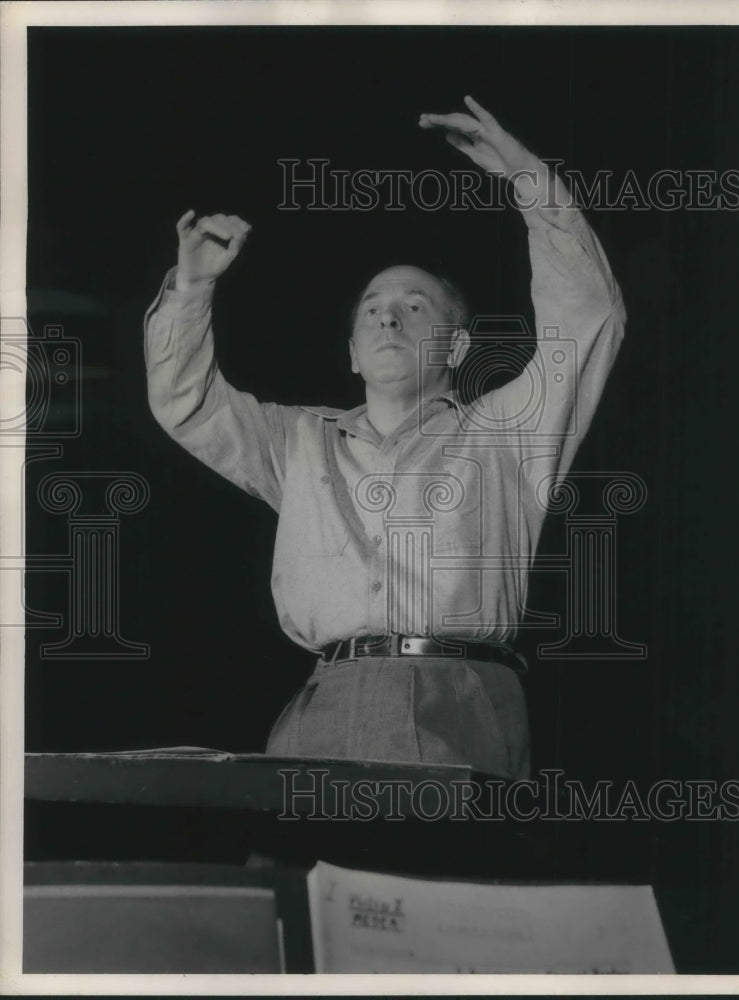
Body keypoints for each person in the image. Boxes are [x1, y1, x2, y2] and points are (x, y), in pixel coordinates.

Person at [144, 96, 625, 779]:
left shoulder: (506, 435)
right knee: (304, 882)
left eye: (412, 306)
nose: (387, 320)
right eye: (371, 309)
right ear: (350, 352)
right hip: (324, 699)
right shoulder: (297, 442)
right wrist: (190, 290)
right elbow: (184, 403)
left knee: (438, 882)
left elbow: (587, 318)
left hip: (456, 701)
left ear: (457, 346)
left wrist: (527, 179)